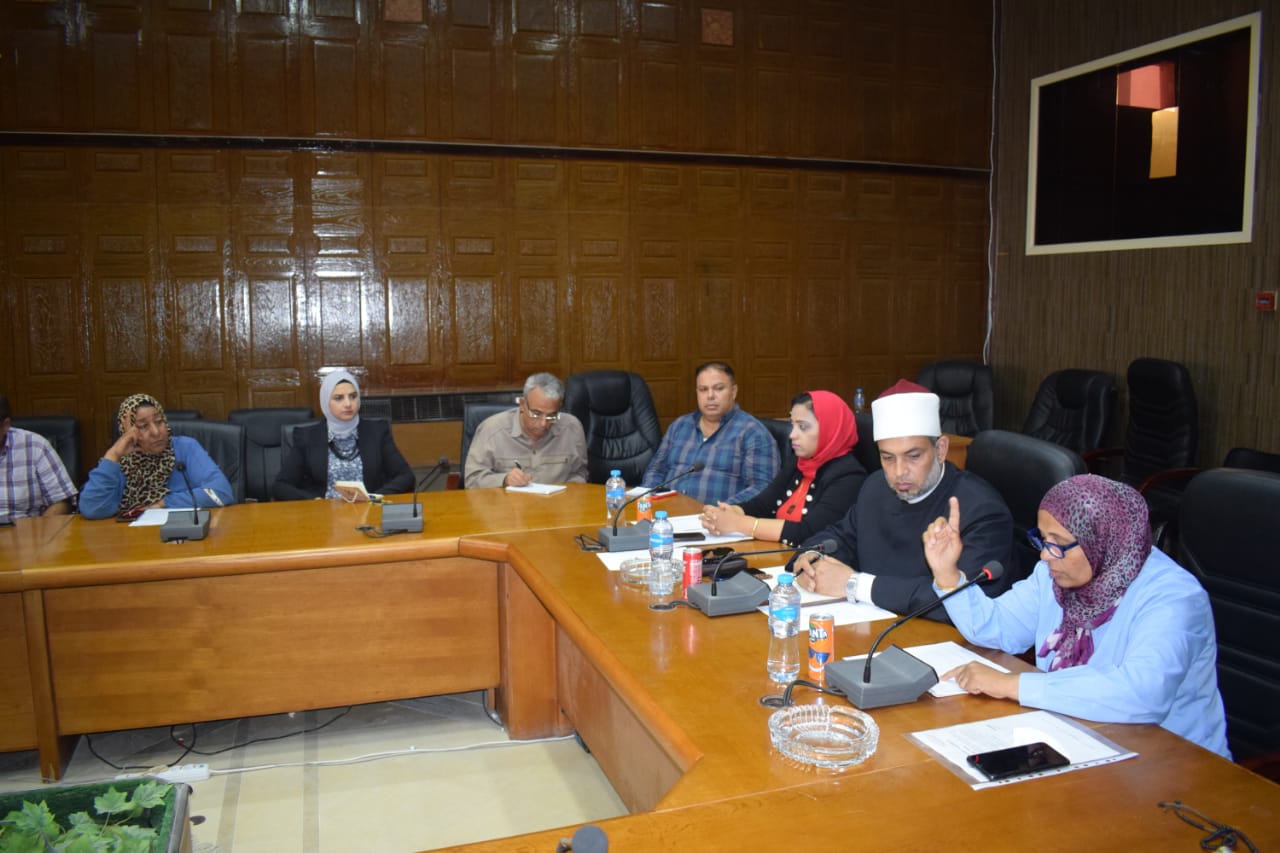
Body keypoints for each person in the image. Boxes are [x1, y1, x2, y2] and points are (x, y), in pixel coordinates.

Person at [923, 474, 1230, 758]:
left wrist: (1013, 685)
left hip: (1172, 764)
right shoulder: (1054, 574)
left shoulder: (1174, 597)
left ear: (1101, 540)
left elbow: (1143, 692)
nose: (1045, 554)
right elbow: (999, 627)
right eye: (1043, 539)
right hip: (1076, 737)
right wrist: (948, 575)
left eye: (1058, 544)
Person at [792, 379, 1012, 619]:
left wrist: (855, 585)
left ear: (940, 449)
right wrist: (811, 558)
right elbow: (840, 537)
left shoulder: (982, 510)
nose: (899, 472)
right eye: (888, 458)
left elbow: (965, 602)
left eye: (913, 456)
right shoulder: (876, 486)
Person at [699, 390, 867, 546]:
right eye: (792, 425)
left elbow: (809, 532)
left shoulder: (849, 477)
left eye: (802, 427)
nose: (792, 435)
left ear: (830, 428)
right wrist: (731, 511)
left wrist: (738, 523)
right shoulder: (799, 462)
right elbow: (763, 505)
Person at [640, 361, 779, 505]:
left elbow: (762, 488)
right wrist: (648, 500)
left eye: (718, 388)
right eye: (703, 389)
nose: (710, 396)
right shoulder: (679, 426)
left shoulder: (753, 433)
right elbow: (656, 470)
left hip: (718, 516)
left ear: (734, 391)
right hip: (666, 513)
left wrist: (721, 511)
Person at [80, 394, 234, 519]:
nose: (156, 432)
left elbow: (222, 492)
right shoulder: (119, 461)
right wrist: (113, 455)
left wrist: (162, 504)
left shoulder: (185, 447)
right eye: (143, 426)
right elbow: (92, 509)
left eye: (159, 422)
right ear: (126, 432)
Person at [273, 370, 414, 501]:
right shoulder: (307, 437)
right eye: (338, 398)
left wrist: (374, 497)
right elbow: (281, 486)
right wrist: (314, 502)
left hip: (369, 511)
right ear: (325, 402)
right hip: (324, 514)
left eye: (353, 396)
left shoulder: (377, 431)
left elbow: (406, 476)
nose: (348, 404)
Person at [464, 373, 588, 489]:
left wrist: (569, 492)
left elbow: (580, 473)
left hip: (558, 503)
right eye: (536, 414)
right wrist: (504, 480)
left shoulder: (572, 429)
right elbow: (472, 480)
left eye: (551, 416)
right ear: (522, 404)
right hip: (509, 504)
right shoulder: (492, 430)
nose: (543, 423)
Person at [0, 394, 78, 518]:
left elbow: (62, 502)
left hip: (25, 527)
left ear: (5, 425)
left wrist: (42, 527)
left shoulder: (34, 445)